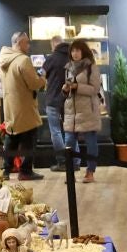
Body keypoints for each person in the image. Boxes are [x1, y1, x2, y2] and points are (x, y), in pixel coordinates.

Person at [0, 32, 46, 181]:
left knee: (11, 138)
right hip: (25, 107)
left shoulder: (3, 59)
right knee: (30, 139)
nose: (29, 45)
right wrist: (43, 79)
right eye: (27, 42)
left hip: (10, 106)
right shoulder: (23, 60)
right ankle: (26, 171)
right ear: (19, 43)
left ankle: (5, 170)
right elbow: (33, 83)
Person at [61, 40, 104, 182]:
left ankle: (90, 171)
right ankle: (71, 171)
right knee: (68, 142)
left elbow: (95, 89)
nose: (75, 53)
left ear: (83, 51)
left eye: (78, 50)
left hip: (87, 110)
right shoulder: (68, 67)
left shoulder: (91, 67)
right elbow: (68, 89)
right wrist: (65, 89)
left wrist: (77, 86)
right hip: (70, 112)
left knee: (90, 141)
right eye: (73, 51)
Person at [40, 38, 72, 167]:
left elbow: (41, 75)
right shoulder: (71, 58)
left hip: (53, 99)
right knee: (70, 131)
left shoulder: (51, 59)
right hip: (69, 99)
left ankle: (62, 161)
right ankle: (74, 161)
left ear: (53, 45)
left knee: (56, 131)